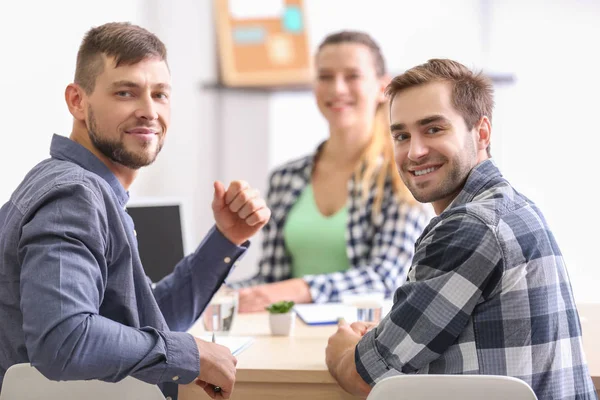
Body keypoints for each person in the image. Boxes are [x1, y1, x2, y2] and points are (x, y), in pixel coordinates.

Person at [0, 22, 271, 400]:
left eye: (160, 95)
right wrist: (188, 352)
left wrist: (226, 238)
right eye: (126, 92)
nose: (148, 111)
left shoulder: (85, 189)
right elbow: (63, 339)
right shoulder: (74, 196)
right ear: (77, 101)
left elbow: (141, 324)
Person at [324, 59, 598, 400]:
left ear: (481, 133)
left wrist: (341, 350)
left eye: (434, 129)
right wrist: (381, 339)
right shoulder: (510, 207)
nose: (415, 151)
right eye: (401, 135)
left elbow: (367, 379)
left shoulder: (471, 227)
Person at [232, 31, 432, 313]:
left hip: (362, 341)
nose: (337, 88)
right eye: (325, 77)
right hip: (286, 336)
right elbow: (271, 280)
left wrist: (301, 289)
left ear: (382, 88)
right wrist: (221, 292)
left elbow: (387, 278)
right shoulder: (285, 178)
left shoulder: (400, 175)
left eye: (352, 76)